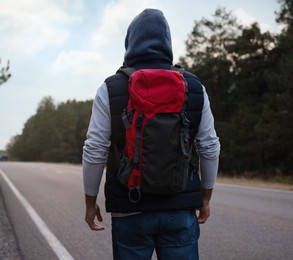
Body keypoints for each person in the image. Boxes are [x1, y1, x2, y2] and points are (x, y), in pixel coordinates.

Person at [82, 8, 220, 260]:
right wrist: (205, 196)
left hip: (129, 207)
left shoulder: (110, 88)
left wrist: (90, 202)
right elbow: (209, 146)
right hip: (180, 208)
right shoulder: (194, 86)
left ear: (129, 43)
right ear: (168, 43)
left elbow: (95, 148)